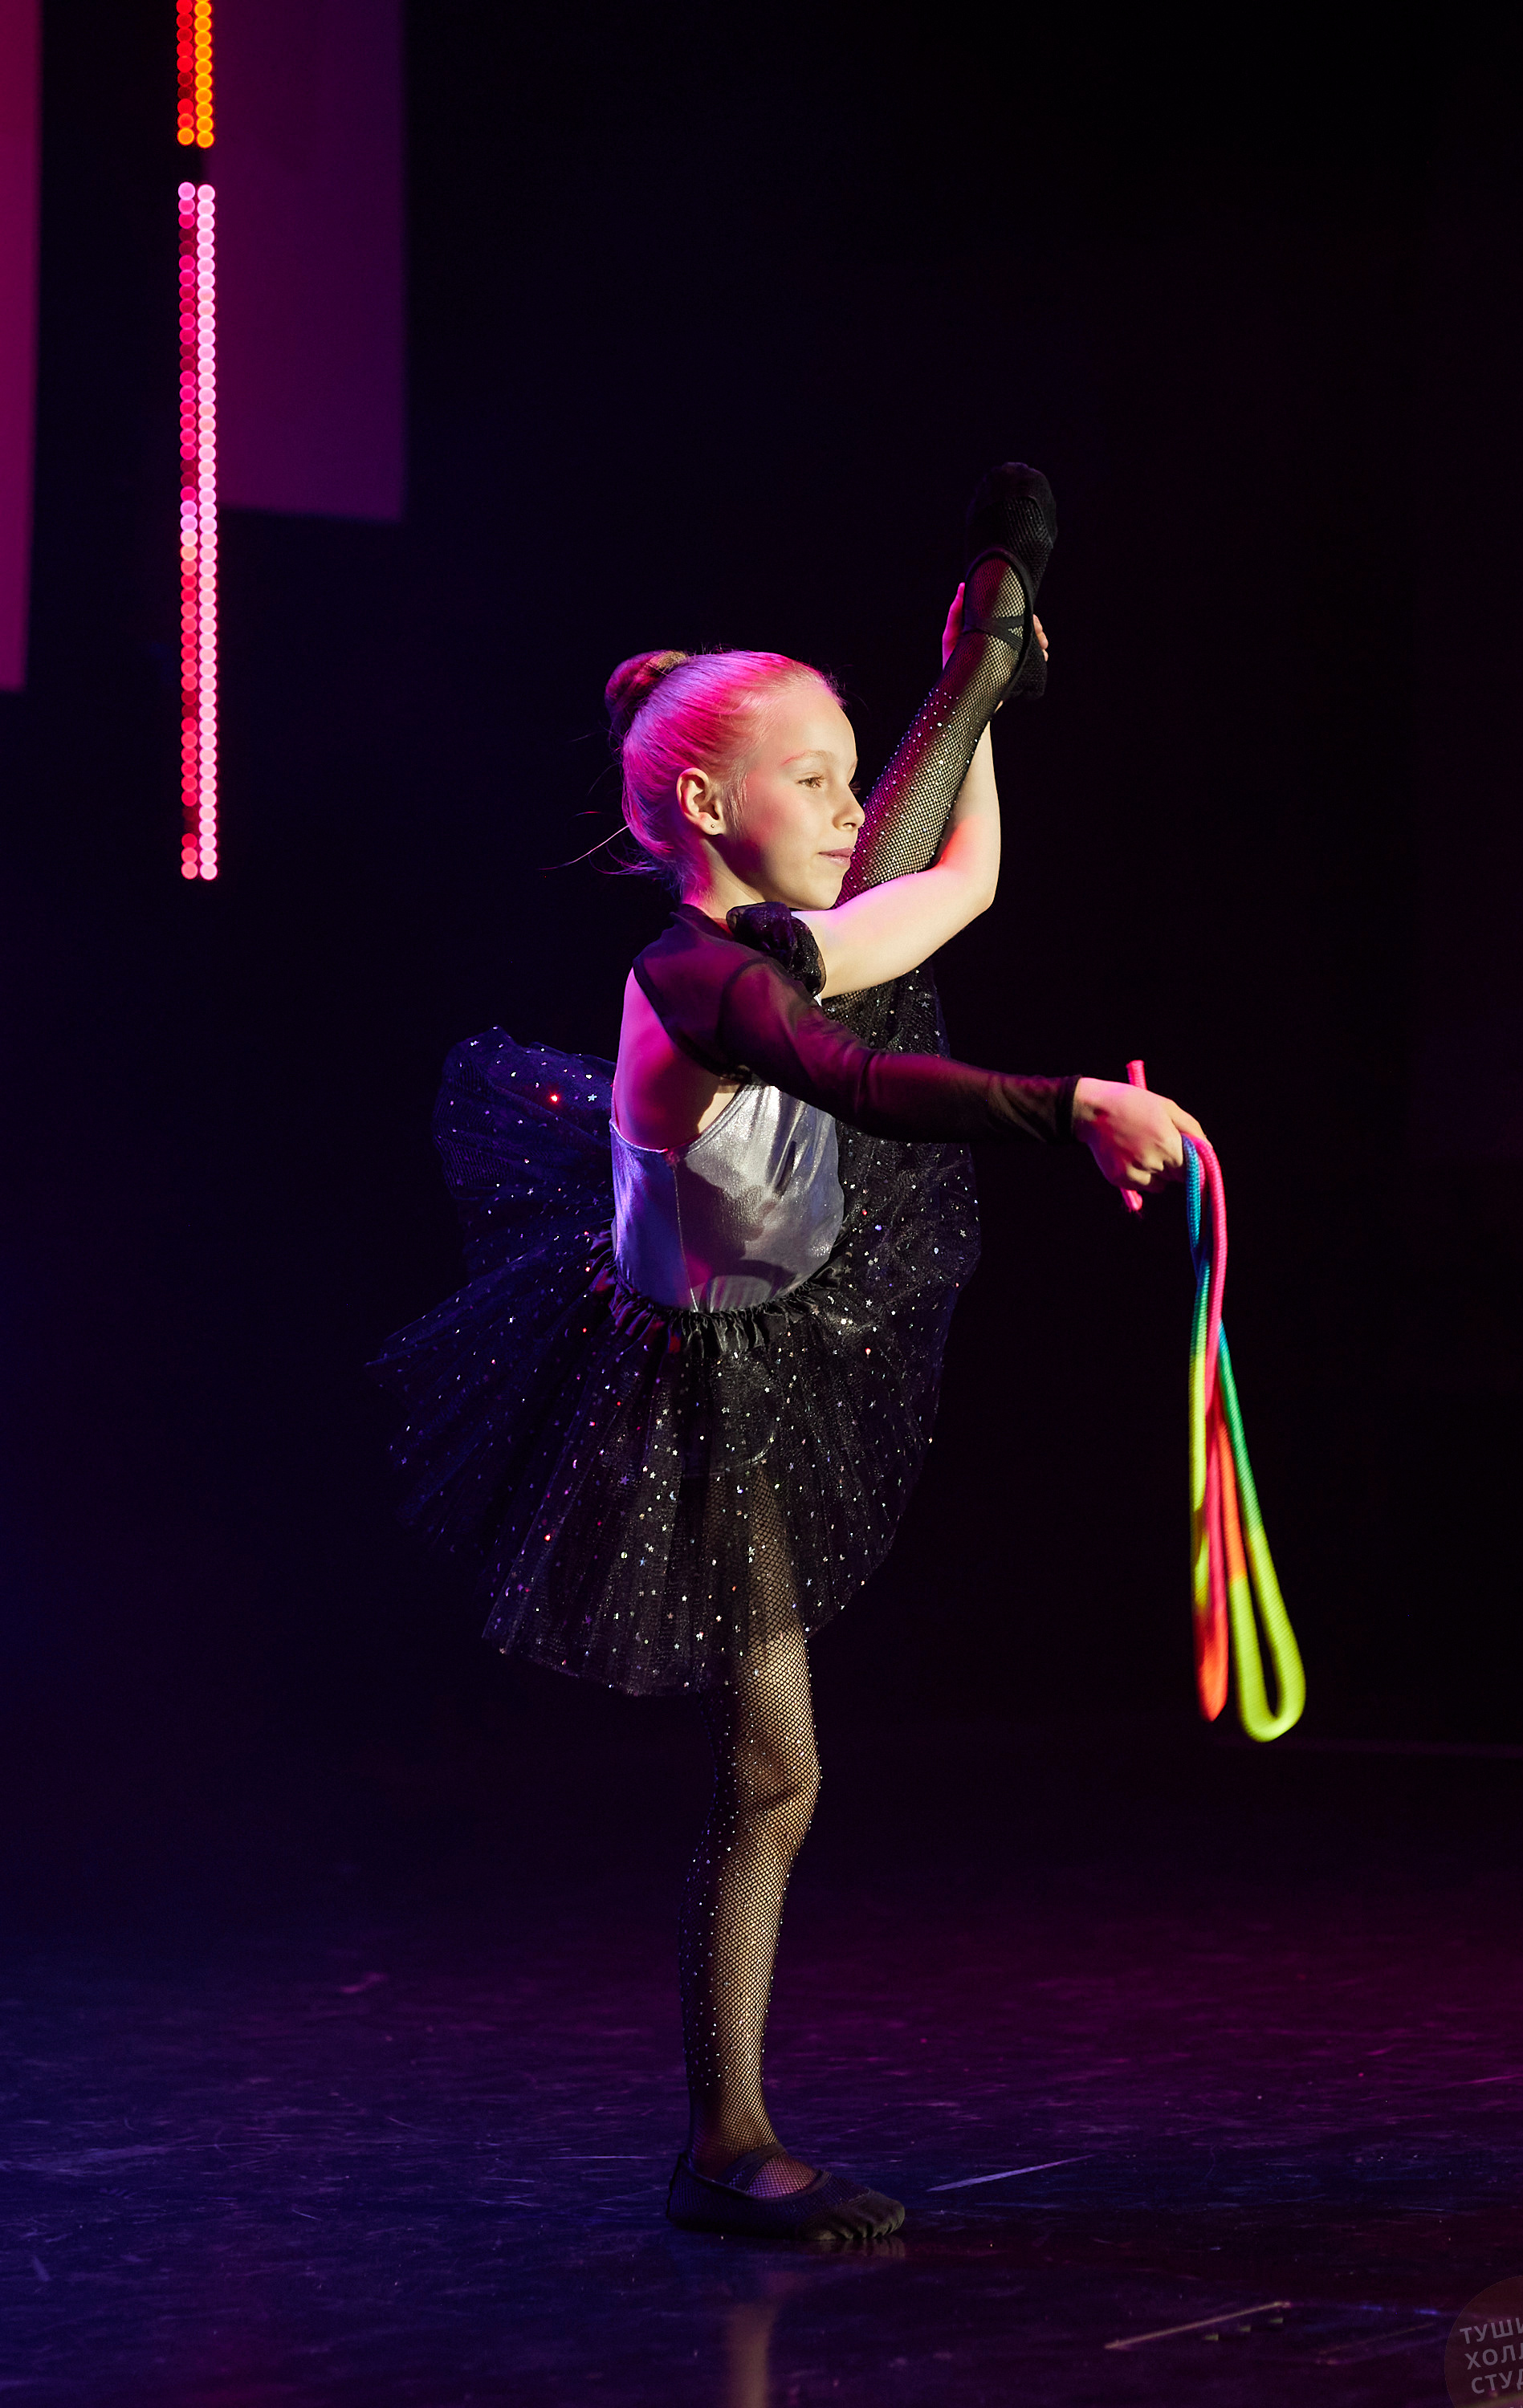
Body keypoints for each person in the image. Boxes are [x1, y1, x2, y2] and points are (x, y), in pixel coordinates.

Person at [373, 466, 1205, 2243]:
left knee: (781, 1772)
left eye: (849, 775)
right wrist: (1064, 1111)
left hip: (779, 1314)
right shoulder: (691, 990)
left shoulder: (793, 937)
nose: (841, 813)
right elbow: (845, 1077)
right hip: (687, 1388)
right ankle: (726, 2138)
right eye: (809, 780)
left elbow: (963, 882)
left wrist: (975, 717)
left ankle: (970, 658)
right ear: (702, 800)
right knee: (775, 1772)